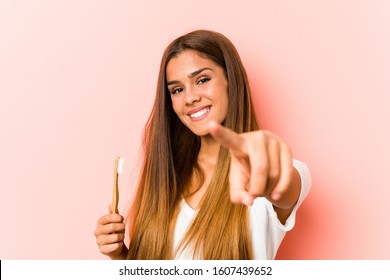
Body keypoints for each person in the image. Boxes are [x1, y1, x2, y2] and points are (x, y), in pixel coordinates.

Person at [94, 29, 311, 260]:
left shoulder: (288, 172)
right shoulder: (167, 178)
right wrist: (120, 255)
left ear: (232, 81)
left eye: (202, 80)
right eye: (177, 90)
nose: (190, 98)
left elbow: (281, 186)